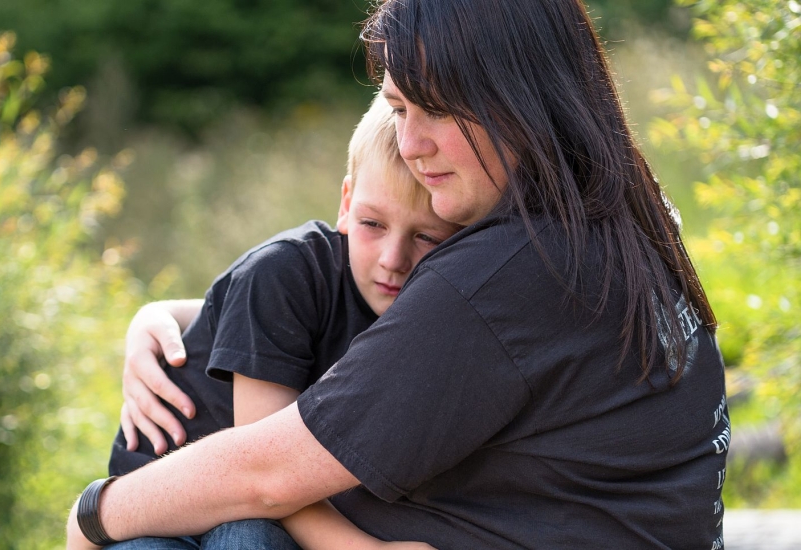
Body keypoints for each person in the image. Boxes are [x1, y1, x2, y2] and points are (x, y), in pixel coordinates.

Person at [68, 0, 729, 547]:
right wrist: (169, 319)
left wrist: (93, 514)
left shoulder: (509, 274)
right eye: (399, 109)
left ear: (520, 99)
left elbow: (268, 474)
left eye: (436, 110)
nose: (411, 147)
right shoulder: (620, 217)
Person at [106, 95, 460, 549]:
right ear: (346, 203)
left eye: (427, 236)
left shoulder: (439, 306)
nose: (393, 260)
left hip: (261, 499)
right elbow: (262, 468)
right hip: (161, 502)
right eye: (373, 224)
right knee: (250, 538)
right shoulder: (283, 272)